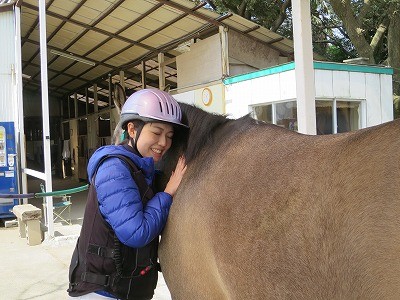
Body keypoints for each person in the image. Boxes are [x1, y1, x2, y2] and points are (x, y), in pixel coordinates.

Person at [67, 88, 188, 299]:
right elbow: (136, 232)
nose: (163, 143)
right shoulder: (114, 169)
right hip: (102, 292)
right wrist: (168, 192)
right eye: (156, 132)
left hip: (124, 289)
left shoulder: (140, 167)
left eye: (169, 136)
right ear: (132, 130)